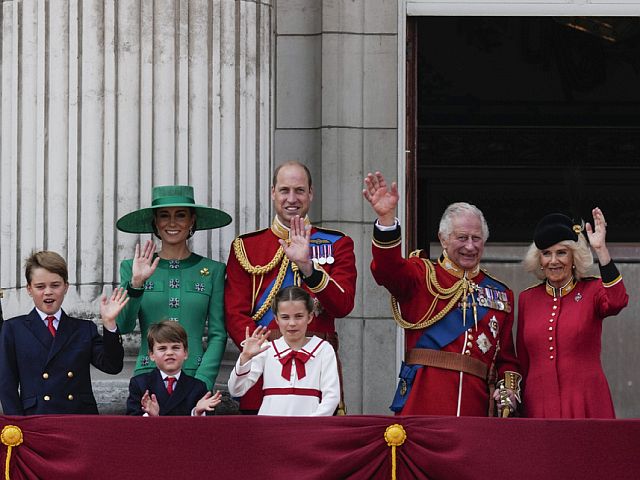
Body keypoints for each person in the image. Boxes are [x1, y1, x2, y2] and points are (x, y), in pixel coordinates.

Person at [363, 171, 520, 416]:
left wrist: (508, 391)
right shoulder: (421, 275)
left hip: (475, 409)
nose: (470, 246)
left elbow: (507, 360)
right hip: (423, 403)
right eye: (462, 238)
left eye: (477, 238)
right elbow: (387, 269)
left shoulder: (500, 293)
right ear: (443, 239)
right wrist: (386, 221)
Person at [225, 161, 356, 414]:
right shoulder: (247, 247)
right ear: (272, 192)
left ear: (311, 194)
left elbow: (343, 305)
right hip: (262, 371)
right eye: (284, 190)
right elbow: (234, 315)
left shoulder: (338, 243)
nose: (292, 198)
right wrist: (272, 355)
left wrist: (309, 268)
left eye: (299, 190)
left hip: (317, 367)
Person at [116, 185, 231, 391]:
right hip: (148, 378)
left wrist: (203, 381)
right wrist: (136, 284)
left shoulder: (213, 270)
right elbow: (123, 326)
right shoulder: (131, 267)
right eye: (164, 216)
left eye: (180, 215)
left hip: (195, 377)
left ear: (192, 220)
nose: (172, 223)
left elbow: (218, 333)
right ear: (155, 222)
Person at [517, 208, 628, 418]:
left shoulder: (592, 290)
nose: (553, 261)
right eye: (546, 254)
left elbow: (617, 301)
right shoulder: (527, 299)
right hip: (538, 404)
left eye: (561, 252)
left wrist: (601, 249)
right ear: (539, 260)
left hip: (586, 400)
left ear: (574, 257)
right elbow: (523, 360)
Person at [0, 251, 128, 415]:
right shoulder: (13, 329)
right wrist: (17, 426)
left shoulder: (84, 329)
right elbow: (6, 384)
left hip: (78, 418)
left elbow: (113, 366)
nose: (48, 292)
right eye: (40, 286)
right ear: (29, 289)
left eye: (55, 285)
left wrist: (109, 324)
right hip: (36, 419)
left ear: (66, 287)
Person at [228, 286, 340, 415]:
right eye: (285, 317)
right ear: (277, 319)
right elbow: (236, 390)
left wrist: (312, 425)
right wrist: (245, 357)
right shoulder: (267, 349)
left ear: (309, 317)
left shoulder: (324, 349)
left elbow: (332, 397)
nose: (292, 323)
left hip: (309, 427)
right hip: (270, 427)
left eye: (298, 316)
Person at [127, 320, 222, 416]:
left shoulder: (198, 387)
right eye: (162, 348)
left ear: (185, 353)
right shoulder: (139, 384)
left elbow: (208, 427)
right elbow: (130, 424)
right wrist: (151, 416)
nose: (169, 353)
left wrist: (197, 412)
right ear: (152, 355)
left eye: (175, 347)